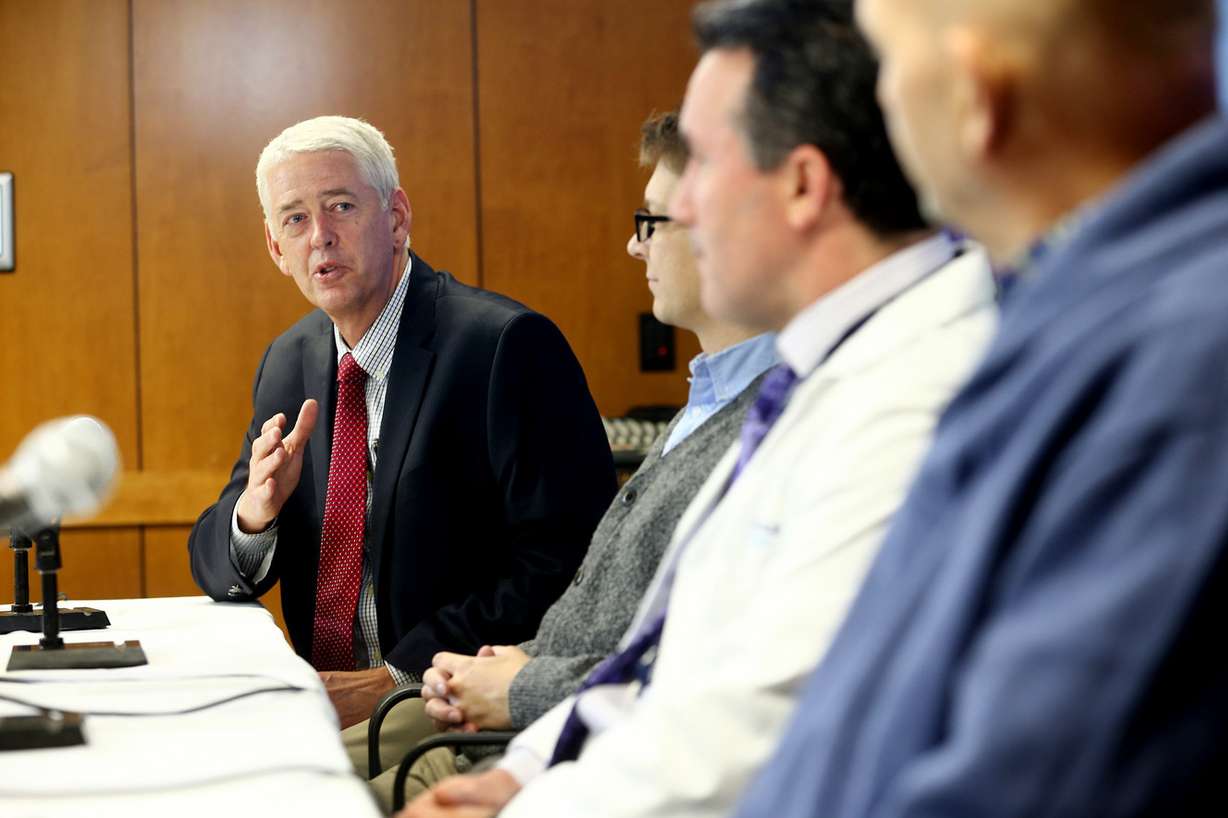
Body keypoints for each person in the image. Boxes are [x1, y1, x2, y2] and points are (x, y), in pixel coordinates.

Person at [398, 1, 997, 815]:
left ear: (801, 186)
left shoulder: (920, 384)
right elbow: (667, 655)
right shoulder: (819, 366)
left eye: (705, 168)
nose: (667, 224)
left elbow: (765, 716)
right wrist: (523, 771)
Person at [728, 1, 1228, 816]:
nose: (880, 104)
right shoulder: (1076, 318)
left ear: (978, 97)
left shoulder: (1181, 371)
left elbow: (1029, 786)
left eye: (887, 60)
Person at [356, 110, 779, 810]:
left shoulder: (769, 426)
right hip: (514, 729)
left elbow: (702, 676)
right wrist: (508, 667)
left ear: (722, 238)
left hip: (557, 758)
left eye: (651, 223)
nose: (632, 247)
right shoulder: (708, 403)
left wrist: (518, 685)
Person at [188, 115, 617, 729]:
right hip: (321, 698)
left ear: (396, 218)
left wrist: (397, 676)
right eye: (296, 218)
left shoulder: (505, 347)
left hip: (451, 694)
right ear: (275, 248)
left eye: (340, 206)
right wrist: (254, 515)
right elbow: (212, 561)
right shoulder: (290, 360)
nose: (320, 237)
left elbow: (567, 563)